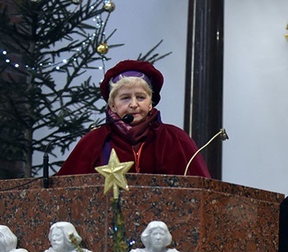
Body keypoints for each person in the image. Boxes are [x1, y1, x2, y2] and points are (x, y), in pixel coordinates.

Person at [57, 59, 211, 178]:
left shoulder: (176, 140)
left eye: (141, 97)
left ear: (150, 103)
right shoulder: (93, 142)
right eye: (125, 98)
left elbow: (204, 194)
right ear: (112, 105)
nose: (134, 104)